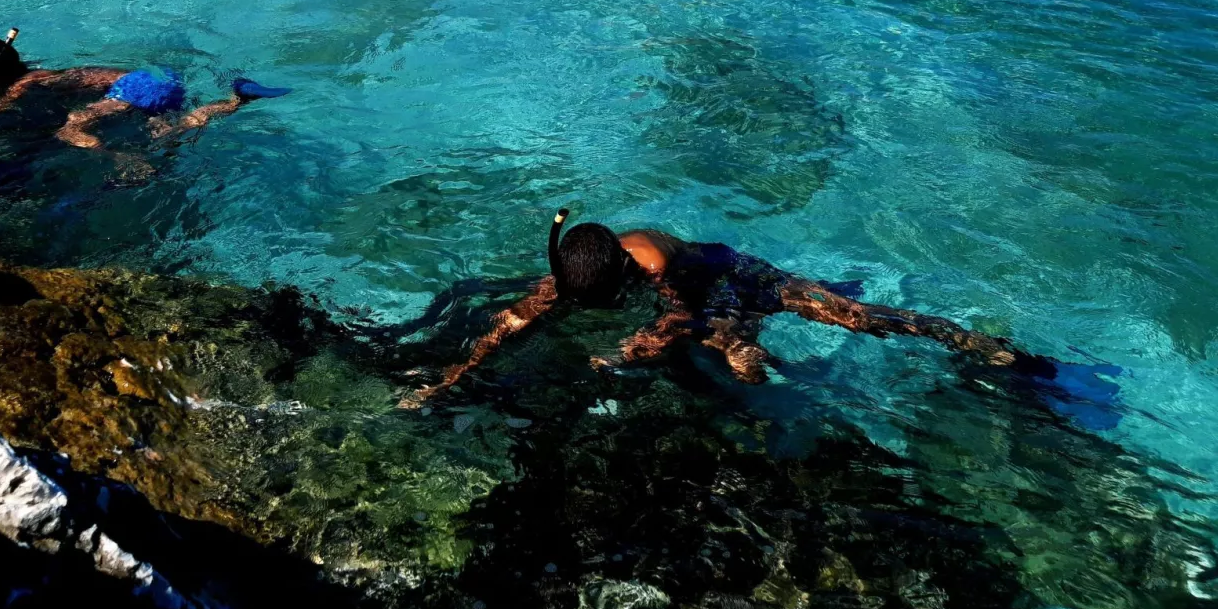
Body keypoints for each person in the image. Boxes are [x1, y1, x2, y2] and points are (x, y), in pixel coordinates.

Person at [403, 209, 1058, 404]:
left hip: (724, 276)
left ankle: (965, 340)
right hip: (689, 292)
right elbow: (512, 321)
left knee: (839, 315)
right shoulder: (577, 264)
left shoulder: (652, 263)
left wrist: (630, 350)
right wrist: (446, 380)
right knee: (740, 357)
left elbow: (682, 318)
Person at [0, 28, 288, 151]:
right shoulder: (39, 72)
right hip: (157, 77)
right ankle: (238, 97)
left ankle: (116, 157)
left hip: (134, 86)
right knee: (172, 121)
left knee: (70, 128)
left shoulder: (26, 82)